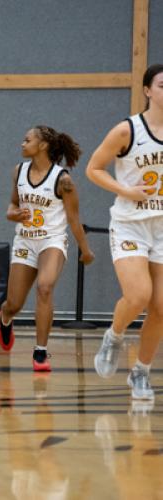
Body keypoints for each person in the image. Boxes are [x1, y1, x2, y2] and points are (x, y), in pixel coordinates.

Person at [86, 64, 163, 401]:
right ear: (147, 90)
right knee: (138, 296)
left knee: (161, 307)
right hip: (130, 222)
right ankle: (114, 336)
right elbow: (93, 169)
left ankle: (140, 372)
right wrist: (125, 190)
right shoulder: (127, 130)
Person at [0, 125, 95, 371]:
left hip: (52, 240)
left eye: (27, 139)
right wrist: (13, 215)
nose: (22, 143)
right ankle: (5, 317)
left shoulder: (63, 180)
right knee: (14, 303)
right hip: (25, 241)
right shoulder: (19, 171)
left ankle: (40, 352)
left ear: (42, 146)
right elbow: (11, 205)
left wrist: (85, 249)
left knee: (44, 288)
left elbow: (74, 218)